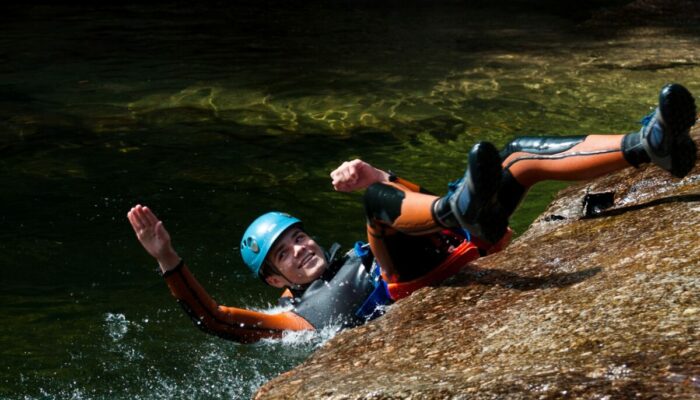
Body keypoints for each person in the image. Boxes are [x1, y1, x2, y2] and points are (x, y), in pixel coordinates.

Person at [128, 83, 697, 343]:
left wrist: (383, 175)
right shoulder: (300, 318)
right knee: (377, 209)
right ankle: (454, 210)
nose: (300, 247)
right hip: (410, 282)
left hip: (455, 244)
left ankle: (649, 145)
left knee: (517, 155)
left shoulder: (350, 256)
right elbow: (220, 322)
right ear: (275, 280)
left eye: (297, 236)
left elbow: (420, 214)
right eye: (284, 253)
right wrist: (169, 259)